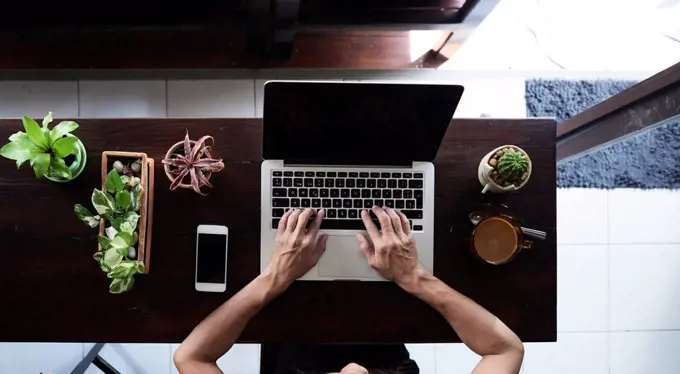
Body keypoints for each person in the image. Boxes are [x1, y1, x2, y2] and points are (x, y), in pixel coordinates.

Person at [174, 207, 524, 374]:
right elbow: (504, 351)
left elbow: (190, 357)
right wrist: (414, 276)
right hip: (384, 316)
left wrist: (275, 276)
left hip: (289, 315)